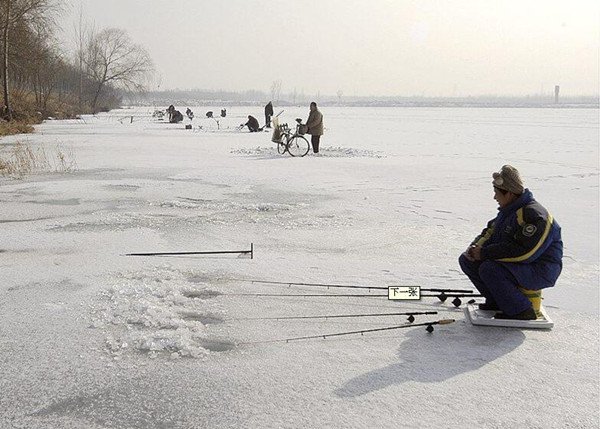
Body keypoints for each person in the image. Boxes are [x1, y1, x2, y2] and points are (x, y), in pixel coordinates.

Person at [458, 165, 563, 320]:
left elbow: (526, 253)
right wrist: (474, 249)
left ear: (509, 194)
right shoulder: (509, 212)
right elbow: (489, 233)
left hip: (540, 269)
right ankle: (499, 301)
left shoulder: (535, 216)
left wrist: (485, 254)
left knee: (490, 269)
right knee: (467, 261)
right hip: (521, 266)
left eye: (496, 193)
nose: (495, 197)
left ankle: (522, 310)